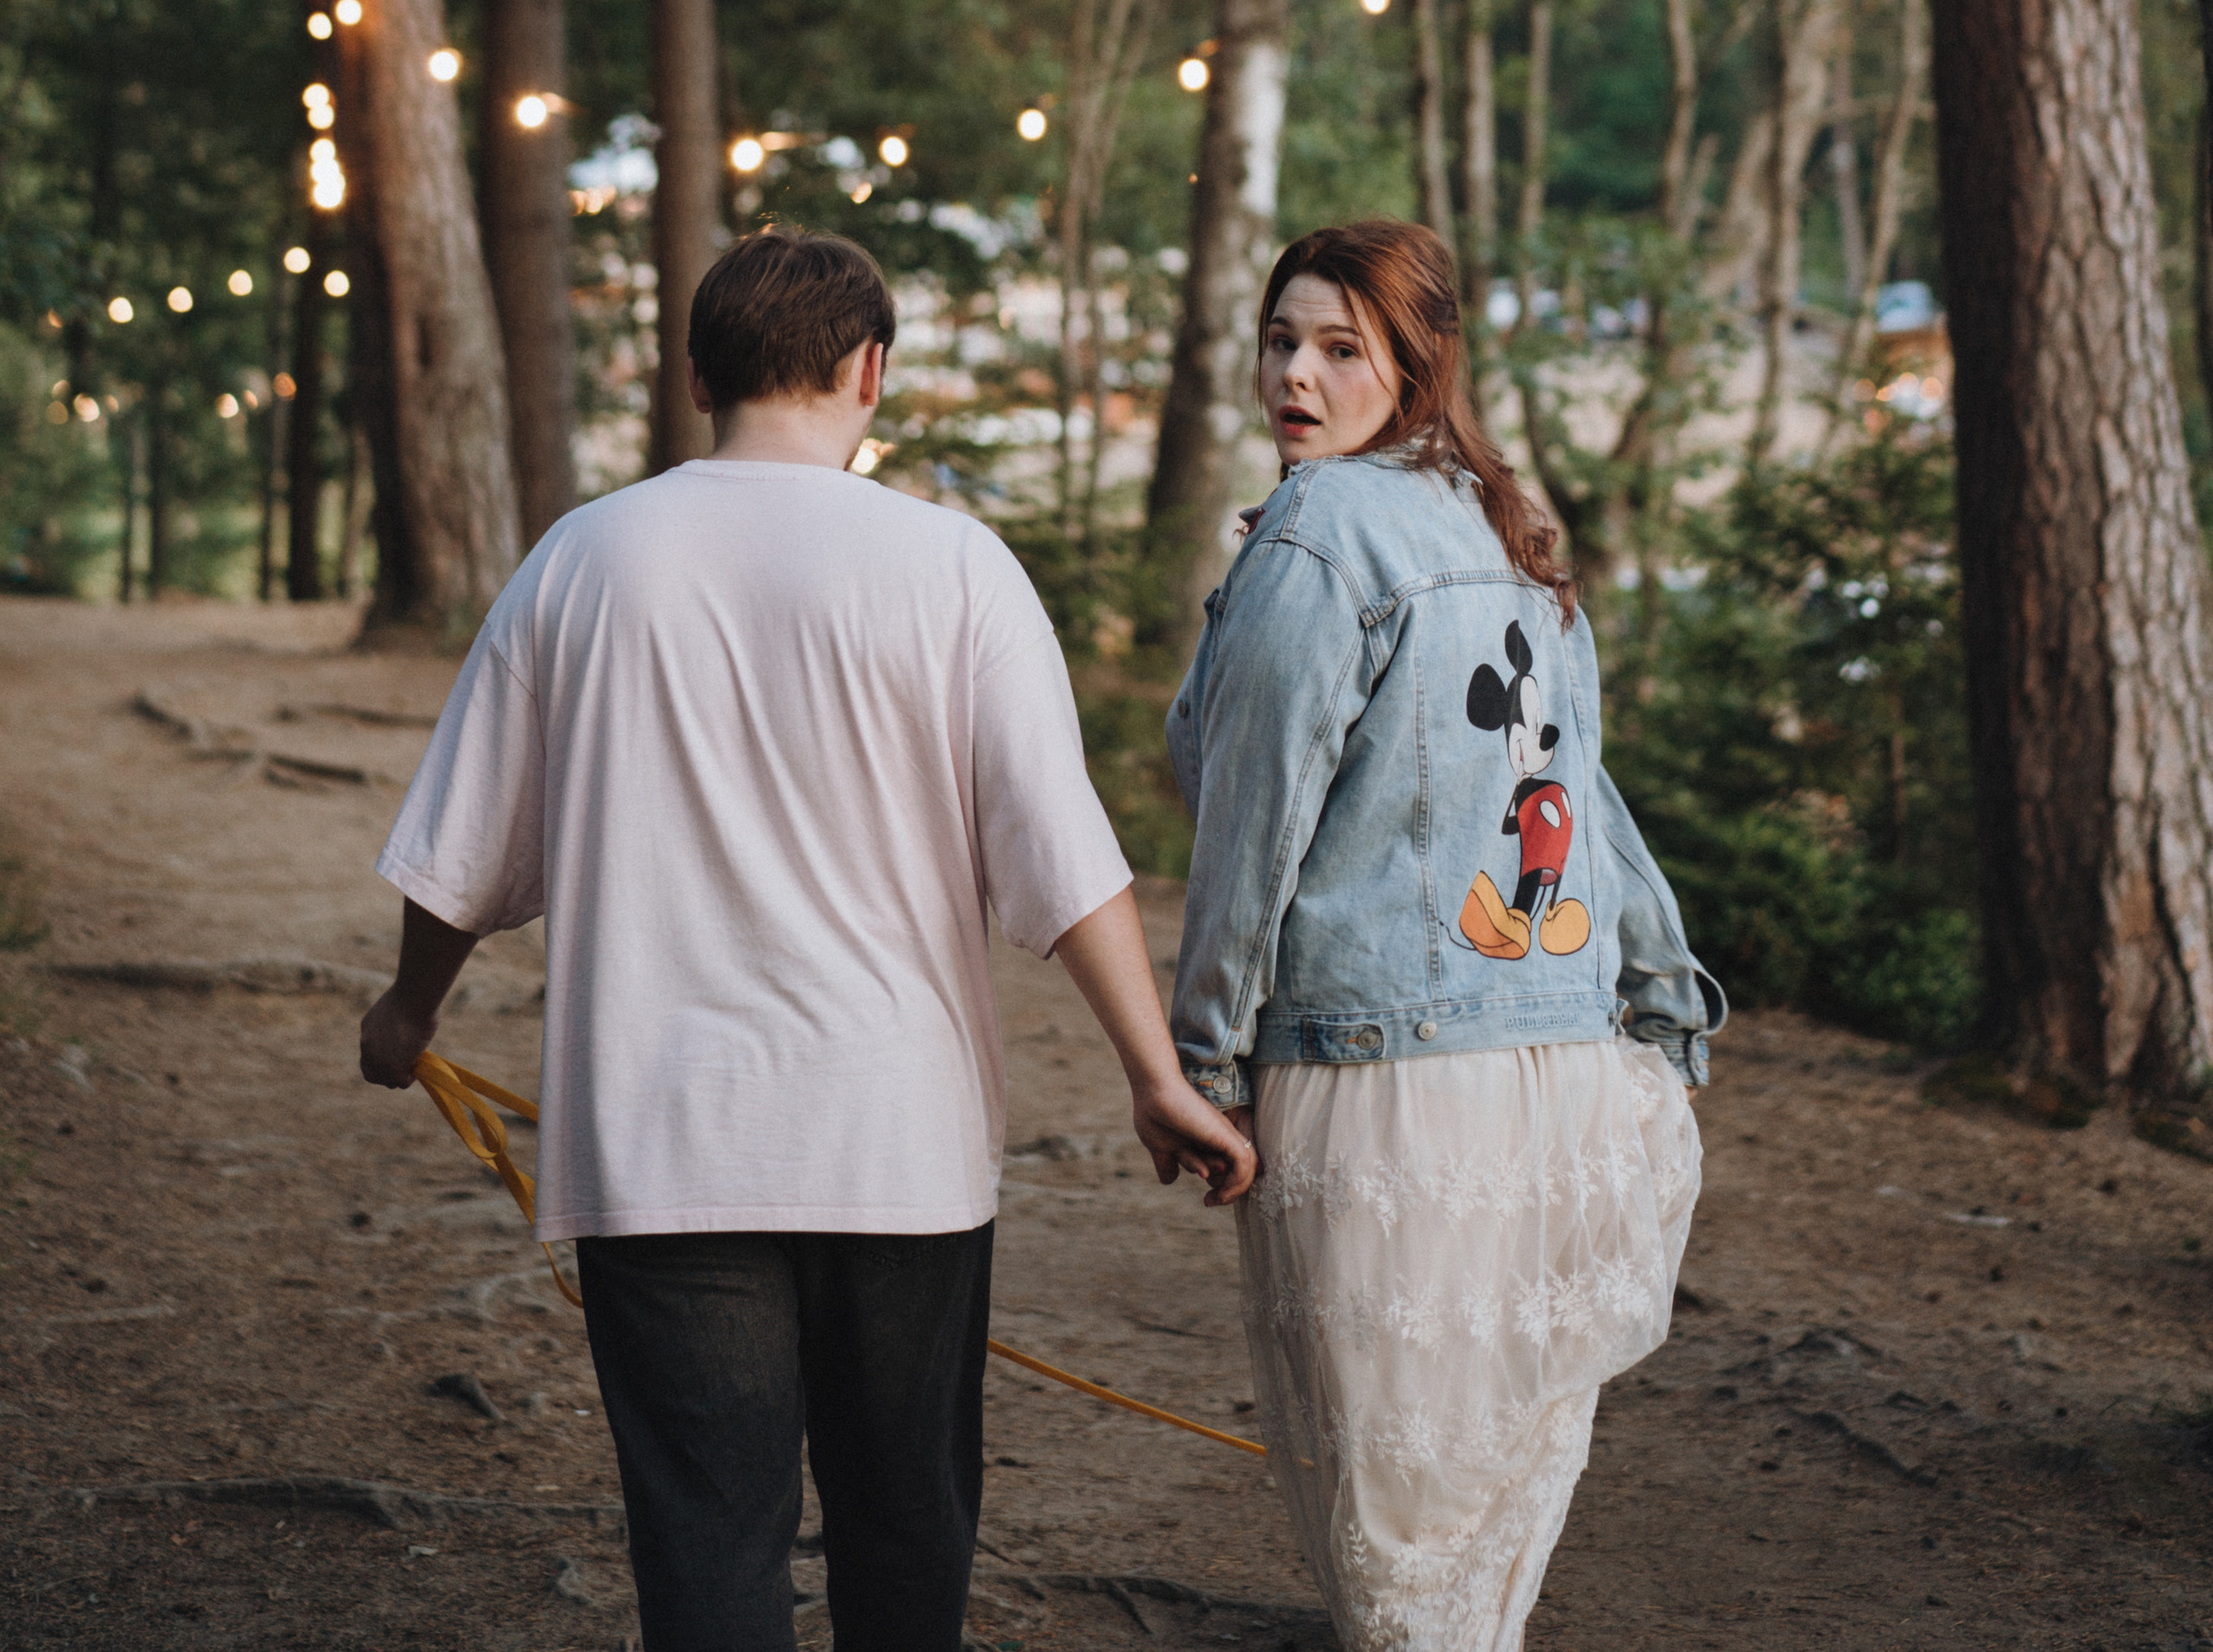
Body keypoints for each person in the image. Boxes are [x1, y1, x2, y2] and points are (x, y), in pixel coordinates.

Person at [359, 227, 1254, 1652]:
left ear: (697, 373)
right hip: (898, 1141)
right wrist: (1154, 1073)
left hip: (661, 1141)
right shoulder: (956, 568)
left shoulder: (581, 561)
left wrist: (407, 1014)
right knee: (906, 1521)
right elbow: (1060, 847)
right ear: (869, 371)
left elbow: (460, 855)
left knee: (710, 1539)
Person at [1167, 219, 1720, 1652]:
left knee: (1398, 1531)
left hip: (1389, 1087)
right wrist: (1662, 997)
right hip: (1557, 1070)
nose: (1296, 373)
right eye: (1282, 340)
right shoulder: (1500, 526)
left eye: (1341, 348)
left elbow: (1255, 827)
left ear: (1415, 363)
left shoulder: (1319, 534)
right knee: (1481, 1511)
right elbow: (1581, 793)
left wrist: (1204, 1059)